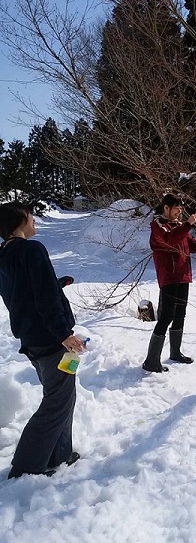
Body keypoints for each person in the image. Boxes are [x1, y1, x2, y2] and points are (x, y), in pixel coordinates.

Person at [0, 202, 85, 479]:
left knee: (64, 397)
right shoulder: (32, 249)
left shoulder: (4, 254)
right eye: (30, 215)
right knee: (56, 401)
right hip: (52, 340)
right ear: (20, 220)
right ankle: (26, 464)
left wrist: (55, 283)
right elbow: (43, 298)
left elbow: (25, 289)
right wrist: (63, 334)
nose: (34, 219)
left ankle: (60, 454)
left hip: (32, 339)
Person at [142, 193, 196, 372]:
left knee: (180, 313)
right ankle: (151, 361)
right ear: (166, 208)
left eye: (181, 209)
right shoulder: (158, 225)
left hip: (183, 275)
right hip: (169, 276)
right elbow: (169, 239)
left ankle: (175, 352)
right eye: (176, 208)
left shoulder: (179, 227)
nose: (179, 212)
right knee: (167, 315)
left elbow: (192, 246)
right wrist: (188, 224)